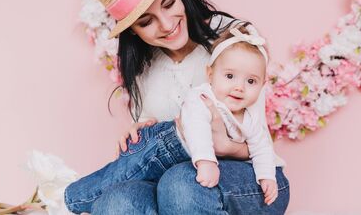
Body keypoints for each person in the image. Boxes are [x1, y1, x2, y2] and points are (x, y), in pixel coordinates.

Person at [69, 0, 290, 214]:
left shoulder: (231, 38)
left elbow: (259, 140)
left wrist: (224, 146)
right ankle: (70, 200)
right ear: (134, 32)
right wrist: (137, 131)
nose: (166, 24)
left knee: (181, 183)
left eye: (169, 3)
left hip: (254, 177)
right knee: (115, 201)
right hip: (171, 180)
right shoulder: (143, 69)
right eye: (146, 21)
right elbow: (154, 148)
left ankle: (70, 199)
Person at [64, 25, 284, 213]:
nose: (239, 86)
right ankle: (73, 198)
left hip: (186, 166)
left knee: (177, 183)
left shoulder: (248, 113)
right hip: (162, 143)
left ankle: (78, 200)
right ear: (210, 75)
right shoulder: (204, 96)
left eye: (251, 82)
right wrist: (206, 161)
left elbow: (261, 145)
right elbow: (196, 127)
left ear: (262, 84)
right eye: (229, 77)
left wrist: (266, 176)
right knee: (118, 180)